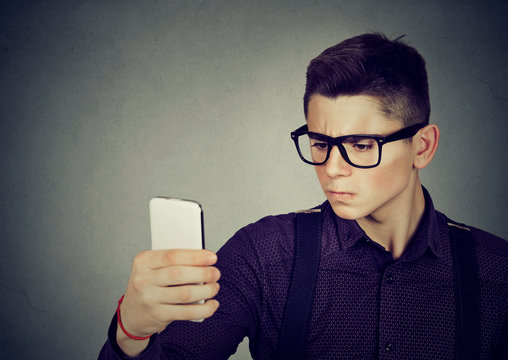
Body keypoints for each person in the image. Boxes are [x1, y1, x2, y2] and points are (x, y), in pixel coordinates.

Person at [99, 33, 508, 359]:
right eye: (319, 142)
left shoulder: (497, 272)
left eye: (362, 145)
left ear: (422, 146)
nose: (331, 167)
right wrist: (131, 332)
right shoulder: (264, 254)